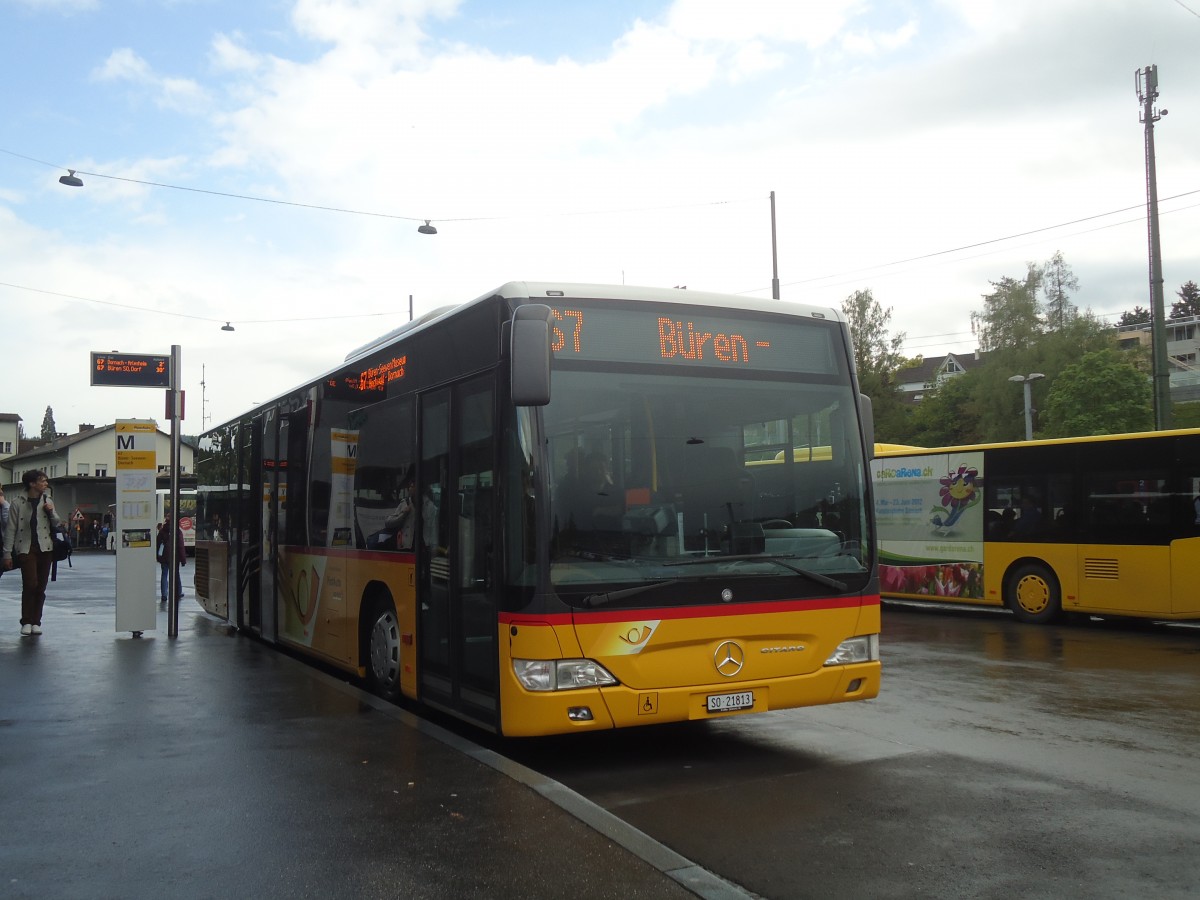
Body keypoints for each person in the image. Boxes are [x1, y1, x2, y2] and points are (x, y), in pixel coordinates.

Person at [2, 471, 64, 636]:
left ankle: (36, 622)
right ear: (32, 484)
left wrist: (51, 511)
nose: (45, 484)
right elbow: (11, 529)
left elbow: (57, 522)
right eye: (42, 481)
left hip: (46, 548)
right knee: (30, 584)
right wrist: (7, 553)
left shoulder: (47, 500)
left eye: (46, 481)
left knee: (41, 586)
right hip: (26, 548)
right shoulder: (18, 503)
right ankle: (26, 621)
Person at [155, 514, 188, 604]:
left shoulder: (162, 531)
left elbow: (157, 545)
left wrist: (158, 556)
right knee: (176, 575)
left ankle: (164, 595)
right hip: (174, 557)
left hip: (164, 557)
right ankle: (178, 592)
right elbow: (181, 546)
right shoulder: (177, 531)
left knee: (164, 575)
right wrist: (183, 559)